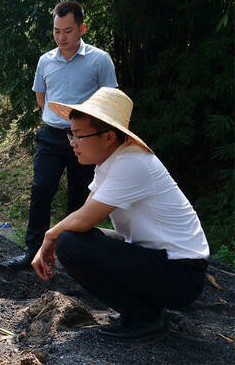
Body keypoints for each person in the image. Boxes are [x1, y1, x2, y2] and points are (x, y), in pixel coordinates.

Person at [31, 87, 209, 339]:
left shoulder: (131, 163)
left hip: (181, 274)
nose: (72, 143)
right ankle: (141, 310)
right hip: (160, 261)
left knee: (70, 243)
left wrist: (49, 236)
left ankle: (144, 317)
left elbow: (82, 221)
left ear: (108, 137)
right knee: (73, 237)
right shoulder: (111, 160)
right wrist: (53, 235)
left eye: (79, 136)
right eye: (72, 134)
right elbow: (85, 212)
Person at [2, 0, 118, 269]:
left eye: (67, 31)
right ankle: (33, 250)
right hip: (52, 135)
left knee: (81, 195)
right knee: (41, 189)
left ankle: (71, 254)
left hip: (87, 138)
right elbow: (42, 98)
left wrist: (89, 132)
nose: (61, 37)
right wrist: (56, 121)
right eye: (57, 31)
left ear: (82, 29)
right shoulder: (45, 61)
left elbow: (109, 100)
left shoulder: (99, 60)